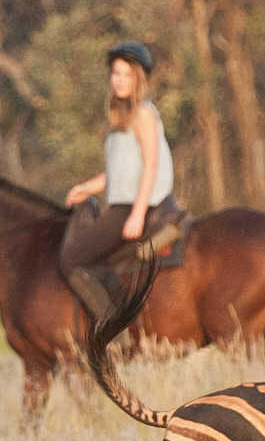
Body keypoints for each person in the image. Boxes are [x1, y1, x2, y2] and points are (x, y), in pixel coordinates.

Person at [60, 39, 185, 325]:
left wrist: (138, 214)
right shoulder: (119, 118)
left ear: (138, 78)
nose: (120, 80)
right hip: (123, 203)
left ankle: (113, 328)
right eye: (116, 73)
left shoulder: (143, 113)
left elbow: (151, 164)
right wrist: (86, 188)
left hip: (132, 207)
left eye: (127, 74)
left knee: (70, 260)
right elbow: (120, 172)